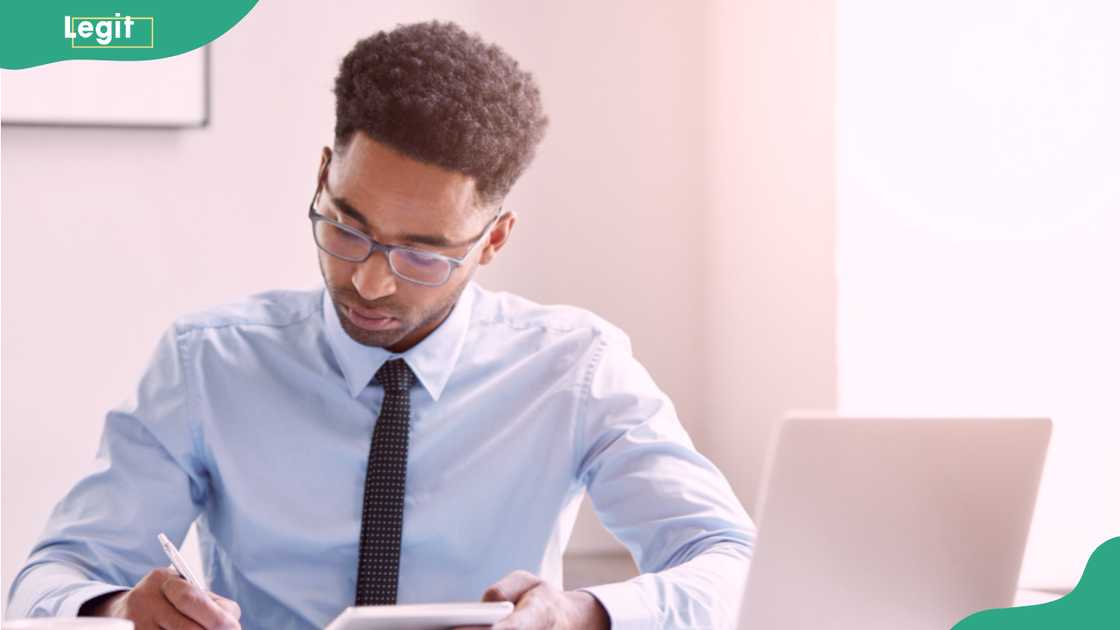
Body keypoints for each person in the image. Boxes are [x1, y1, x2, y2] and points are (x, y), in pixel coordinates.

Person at [7, 20, 755, 630]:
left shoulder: (576, 366)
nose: (368, 280)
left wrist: (581, 613)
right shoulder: (209, 363)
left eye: (422, 254)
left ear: (493, 239)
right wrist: (114, 607)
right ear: (324, 174)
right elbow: (47, 580)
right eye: (347, 227)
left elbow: (733, 562)